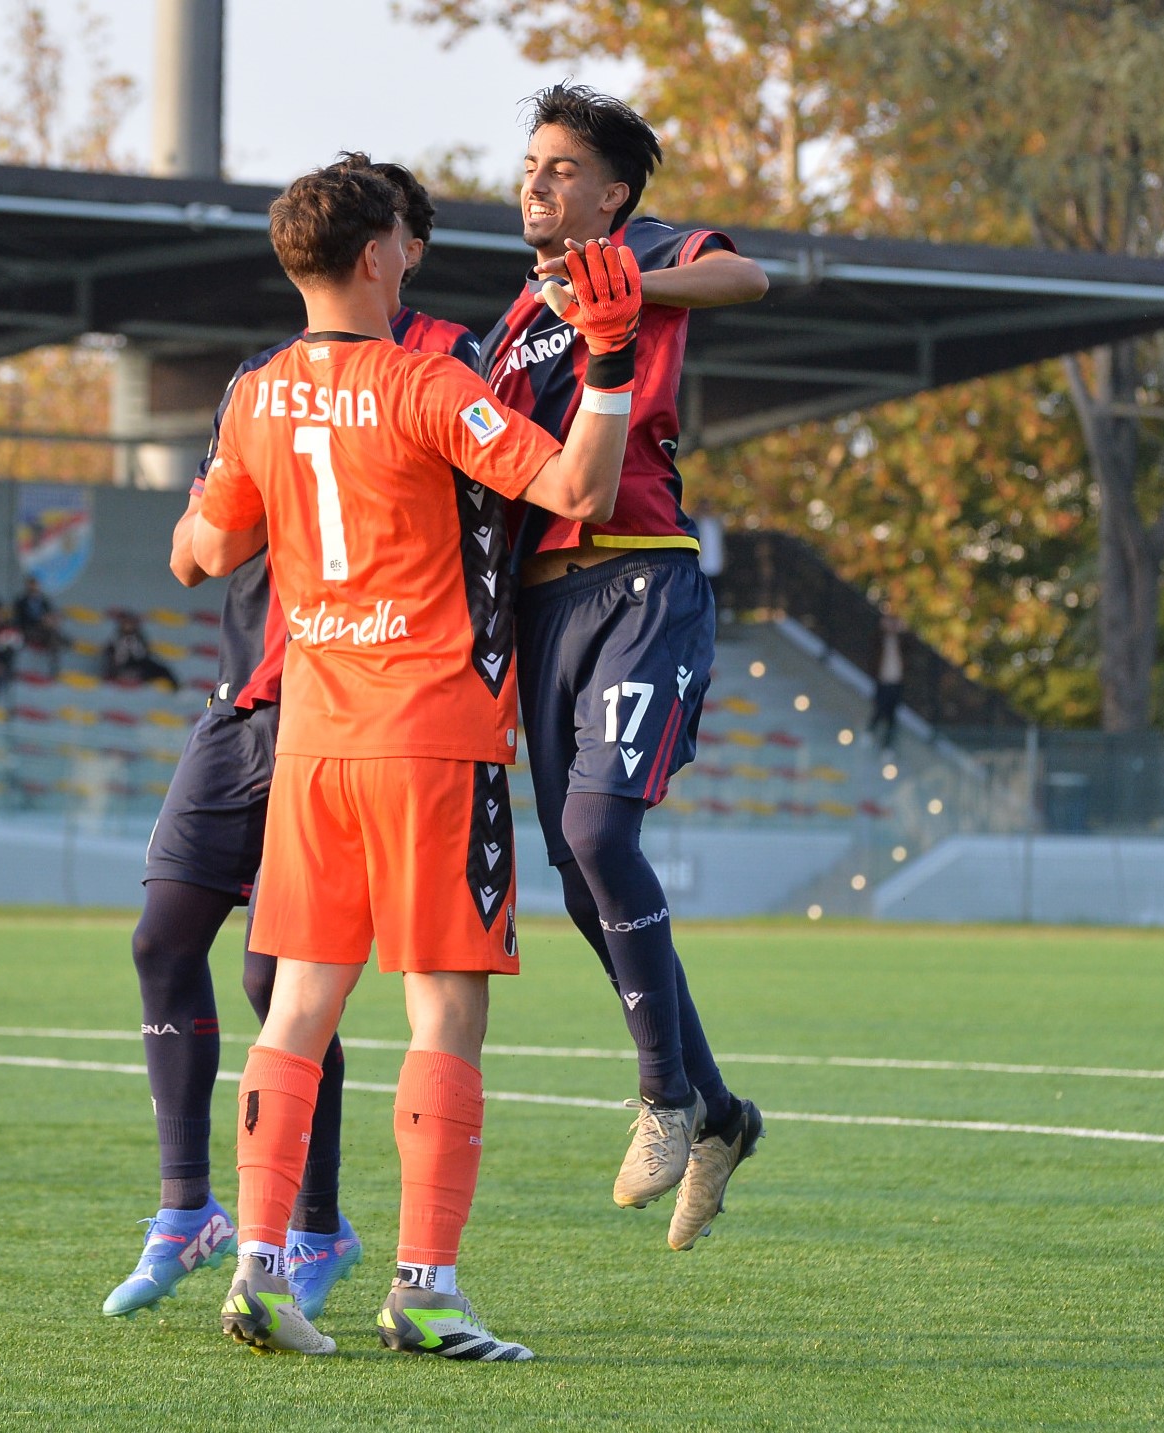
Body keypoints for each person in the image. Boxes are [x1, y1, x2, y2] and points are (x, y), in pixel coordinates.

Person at [187, 160, 632, 1361]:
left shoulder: (258, 394)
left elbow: (201, 546)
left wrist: (233, 489)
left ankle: (259, 1269)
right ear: (381, 253)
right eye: (404, 236)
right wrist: (610, 361)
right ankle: (424, 1287)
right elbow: (580, 485)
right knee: (444, 1007)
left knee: (299, 1005)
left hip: (316, 741)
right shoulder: (429, 385)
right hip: (432, 733)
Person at [102, 154, 486, 1325]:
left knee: (290, 978)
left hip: (367, 703)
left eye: (415, 229)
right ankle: (196, 1208)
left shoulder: (441, 363)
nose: (406, 246)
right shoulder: (266, 382)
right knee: (167, 937)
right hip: (255, 701)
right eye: (397, 228)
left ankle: (307, 1227)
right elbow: (208, 542)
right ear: (376, 247)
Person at [480, 83, 771, 1249]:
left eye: (559, 168)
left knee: (601, 837)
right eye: (530, 166)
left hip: (639, 574)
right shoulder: (511, 319)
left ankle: (662, 1097)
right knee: (573, 866)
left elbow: (747, 279)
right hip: (540, 607)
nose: (536, 185)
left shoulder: (641, 248)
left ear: (609, 192)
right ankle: (721, 1112)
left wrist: (634, 287)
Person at [100, 612, 178, 691]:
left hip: (140, 665)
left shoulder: (139, 637)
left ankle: (177, 689)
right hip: (122, 666)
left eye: (130, 623)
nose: (128, 626)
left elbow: (144, 654)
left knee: (162, 669)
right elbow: (111, 655)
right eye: (125, 623)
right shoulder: (115, 638)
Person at [13, 576, 64, 678]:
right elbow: (19, 619)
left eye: (35, 584)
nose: (34, 587)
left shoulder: (44, 601)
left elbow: (50, 614)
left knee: (53, 635)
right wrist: (40, 621)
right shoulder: (20, 601)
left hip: (43, 631)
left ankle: (54, 669)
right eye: (31, 584)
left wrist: (51, 620)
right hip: (27, 629)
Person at [871, 613, 905, 754]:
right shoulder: (881, 640)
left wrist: (902, 629)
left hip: (896, 682)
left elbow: (911, 646)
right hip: (883, 680)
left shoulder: (901, 641)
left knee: (891, 714)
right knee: (880, 707)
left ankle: (887, 745)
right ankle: (871, 731)